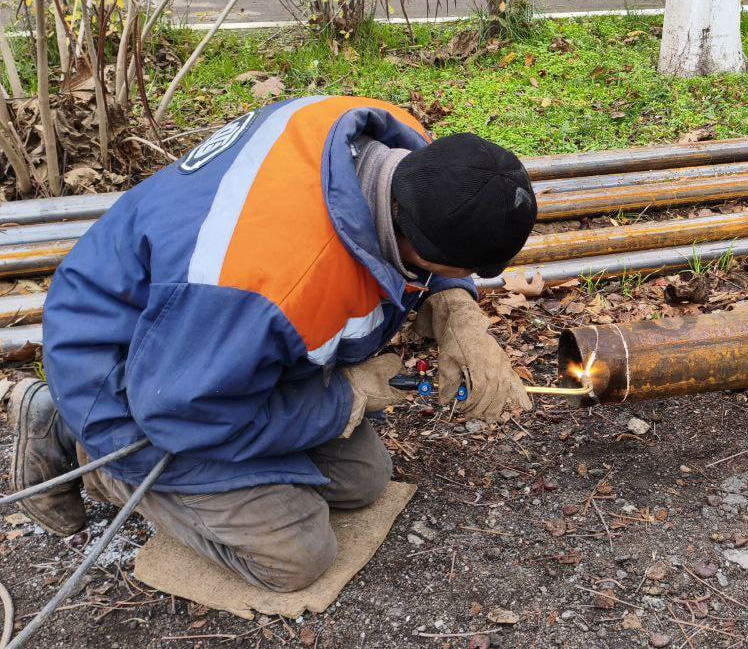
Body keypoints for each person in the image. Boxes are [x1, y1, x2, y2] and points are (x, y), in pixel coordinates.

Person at [9, 96, 536, 592]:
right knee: (296, 555)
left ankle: (211, 473)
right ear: (415, 244)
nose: (468, 278)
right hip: (128, 378)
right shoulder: (271, 285)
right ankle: (90, 450)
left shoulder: (405, 152)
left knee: (363, 480)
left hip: (199, 344)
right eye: (463, 271)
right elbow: (183, 413)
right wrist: (347, 396)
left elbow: (427, 234)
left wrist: (457, 310)